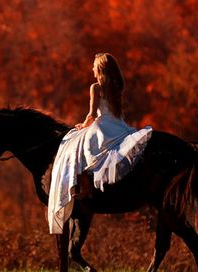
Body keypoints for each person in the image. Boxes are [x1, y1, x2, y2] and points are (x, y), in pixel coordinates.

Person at [48, 53, 152, 234]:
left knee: (77, 144)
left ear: (100, 69)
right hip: (118, 125)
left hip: (102, 126)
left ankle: (84, 185)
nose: (92, 69)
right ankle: (91, 183)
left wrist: (82, 125)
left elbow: (92, 114)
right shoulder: (117, 86)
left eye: (94, 66)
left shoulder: (95, 87)